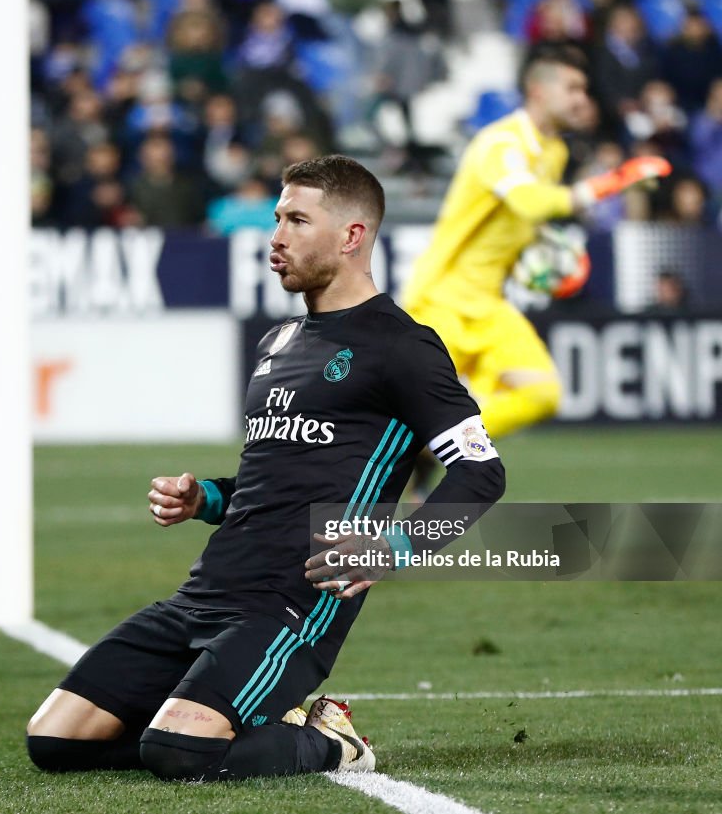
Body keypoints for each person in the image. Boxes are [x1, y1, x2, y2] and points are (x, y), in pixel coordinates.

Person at [26, 155, 506, 782]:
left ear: (352, 236)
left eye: (297, 221)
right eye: (277, 219)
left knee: (177, 752)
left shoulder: (403, 346)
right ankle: (199, 725)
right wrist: (205, 498)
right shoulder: (279, 343)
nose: (275, 237)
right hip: (204, 594)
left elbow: (482, 474)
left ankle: (333, 741)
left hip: (292, 601)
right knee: (55, 742)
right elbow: (268, 482)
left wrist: (393, 547)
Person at [403, 44, 671, 451]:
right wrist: (612, 182)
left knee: (542, 393)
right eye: (573, 88)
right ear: (538, 91)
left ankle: (431, 446)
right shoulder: (500, 144)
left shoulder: (555, 151)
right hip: (440, 301)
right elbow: (529, 201)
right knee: (396, 427)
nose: (583, 98)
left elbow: (524, 220)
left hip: (489, 304)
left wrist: (549, 255)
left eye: (584, 89)